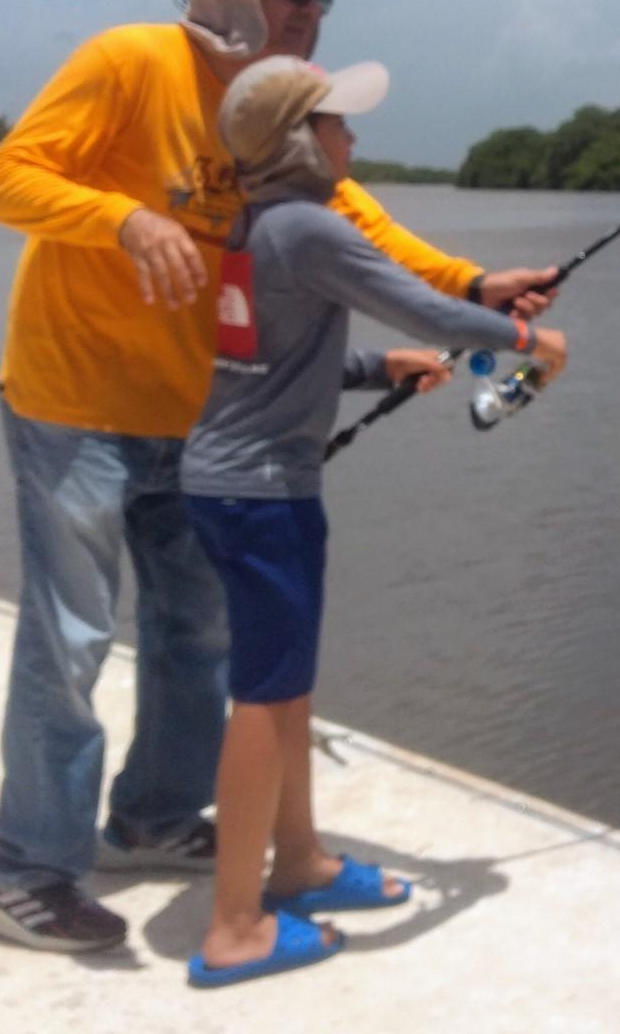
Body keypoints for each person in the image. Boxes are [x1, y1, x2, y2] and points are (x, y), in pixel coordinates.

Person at [0, 0, 561, 953]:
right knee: (71, 636)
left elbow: (353, 215)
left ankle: (154, 817)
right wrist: (126, 219)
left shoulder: (278, 116)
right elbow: (3, 180)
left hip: (196, 414)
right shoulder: (129, 60)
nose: (312, 12)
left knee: (197, 634)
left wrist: (467, 281)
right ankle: (23, 869)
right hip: (74, 399)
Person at [181, 54, 568, 986]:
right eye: (337, 124)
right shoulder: (307, 225)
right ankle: (234, 928)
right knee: (263, 698)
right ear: (298, 143)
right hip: (259, 493)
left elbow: (263, 357)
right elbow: (426, 308)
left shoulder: (258, 224)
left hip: (245, 484)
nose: (352, 138)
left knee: (286, 688)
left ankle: (300, 863)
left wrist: (374, 369)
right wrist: (530, 339)